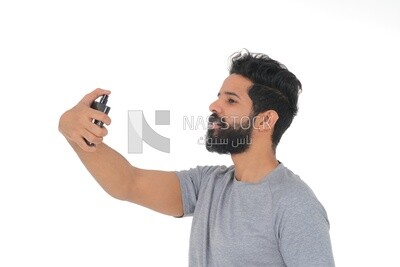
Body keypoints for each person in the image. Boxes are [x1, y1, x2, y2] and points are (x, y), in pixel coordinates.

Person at [59, 49, 335, 266]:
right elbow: (128, 183)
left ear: (265, 120)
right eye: (219, 97)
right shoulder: (208, 184)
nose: (214, 106)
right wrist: (76, 135)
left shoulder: (295, 205)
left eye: (231, 100)